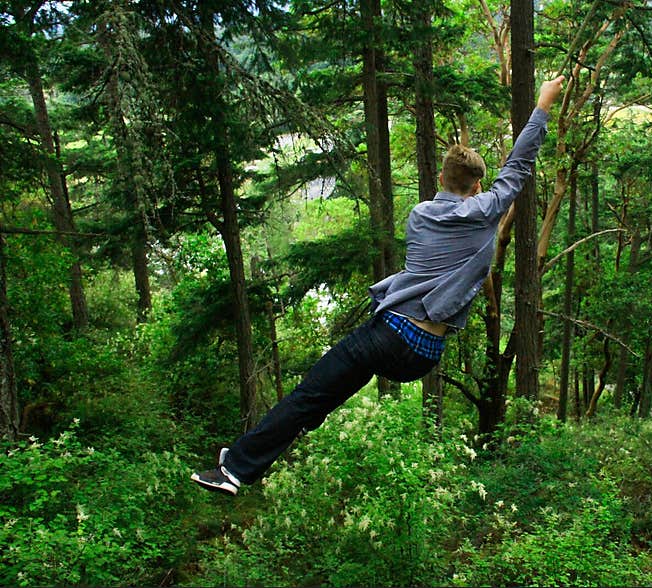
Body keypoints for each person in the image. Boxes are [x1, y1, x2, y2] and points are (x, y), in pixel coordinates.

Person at [191, 74, 566, 495]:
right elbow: (518, 165)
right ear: (478, 186)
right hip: (425, 354)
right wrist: (543, 105)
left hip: (389, 338)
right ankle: (245, 454)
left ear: (442, 180)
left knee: (313, 395)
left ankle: (237, 469)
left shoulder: (420, 215)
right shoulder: (488, 209)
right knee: (320, 397)